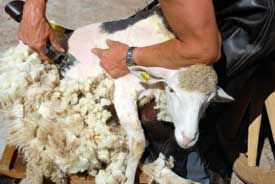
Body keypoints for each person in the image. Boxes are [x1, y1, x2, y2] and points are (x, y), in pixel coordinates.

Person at [18, 0, 275, 183]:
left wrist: (130, 56)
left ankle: (195, 168)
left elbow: (205, 49)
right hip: (205, 11)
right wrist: (34, 10)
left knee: (158, 110)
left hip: (249, 21)